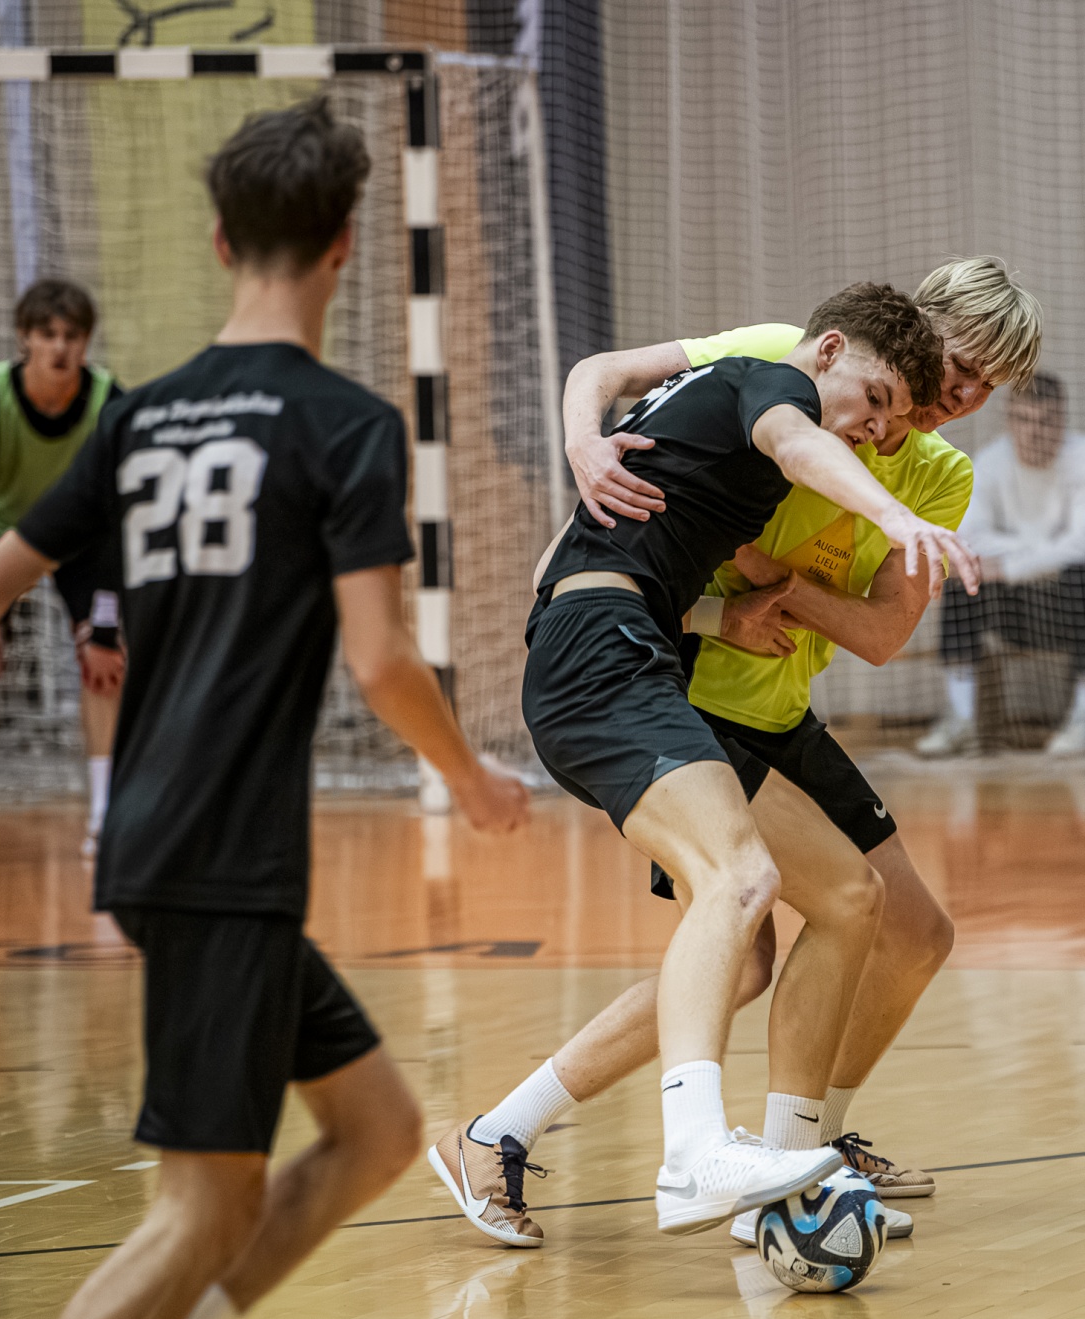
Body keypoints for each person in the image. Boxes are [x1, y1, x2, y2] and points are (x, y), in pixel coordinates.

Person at [0, 96, 530, 1319]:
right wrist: (471, 780)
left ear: (218, 241)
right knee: (202, 1205)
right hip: (221, 856)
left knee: (375, 1133)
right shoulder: (347, 424)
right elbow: (379, 660)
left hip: (159, 835)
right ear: (346, 244)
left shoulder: (142, 419)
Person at [429, 258, 1038, 1251]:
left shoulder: (930, 462)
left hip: (760, 700)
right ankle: (714, 1160)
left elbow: (881, 634)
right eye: (957, 369)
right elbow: (717, 433)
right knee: (759, 909)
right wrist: (585, 449)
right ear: (892, 339)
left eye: (986, 389)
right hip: (673, 687)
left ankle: (787, 1157)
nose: (960, 399)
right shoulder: (781, 371)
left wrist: (775, 586)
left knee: (888, 923)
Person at [0, 278, 126, 866]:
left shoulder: (111, 403)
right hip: (1, 538)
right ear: (24, 338)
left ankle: (106, 817)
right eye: (47, 334)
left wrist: (104, 626)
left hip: (84, 542)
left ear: (86, 342)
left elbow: (120, 520)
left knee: (106, 663)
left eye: (72, 335)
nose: (60, 347)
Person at [916, 370, 1085, 758]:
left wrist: (1009, 566)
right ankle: (962, 718)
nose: (1034, 432)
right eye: (1024, 420)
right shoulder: (991, 462)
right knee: (962, 574)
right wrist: (1046, 549)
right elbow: (971, 538)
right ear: (1010, 421)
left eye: (1045, 421)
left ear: (1062, 421)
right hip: (1011, 613)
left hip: (1070, 610)